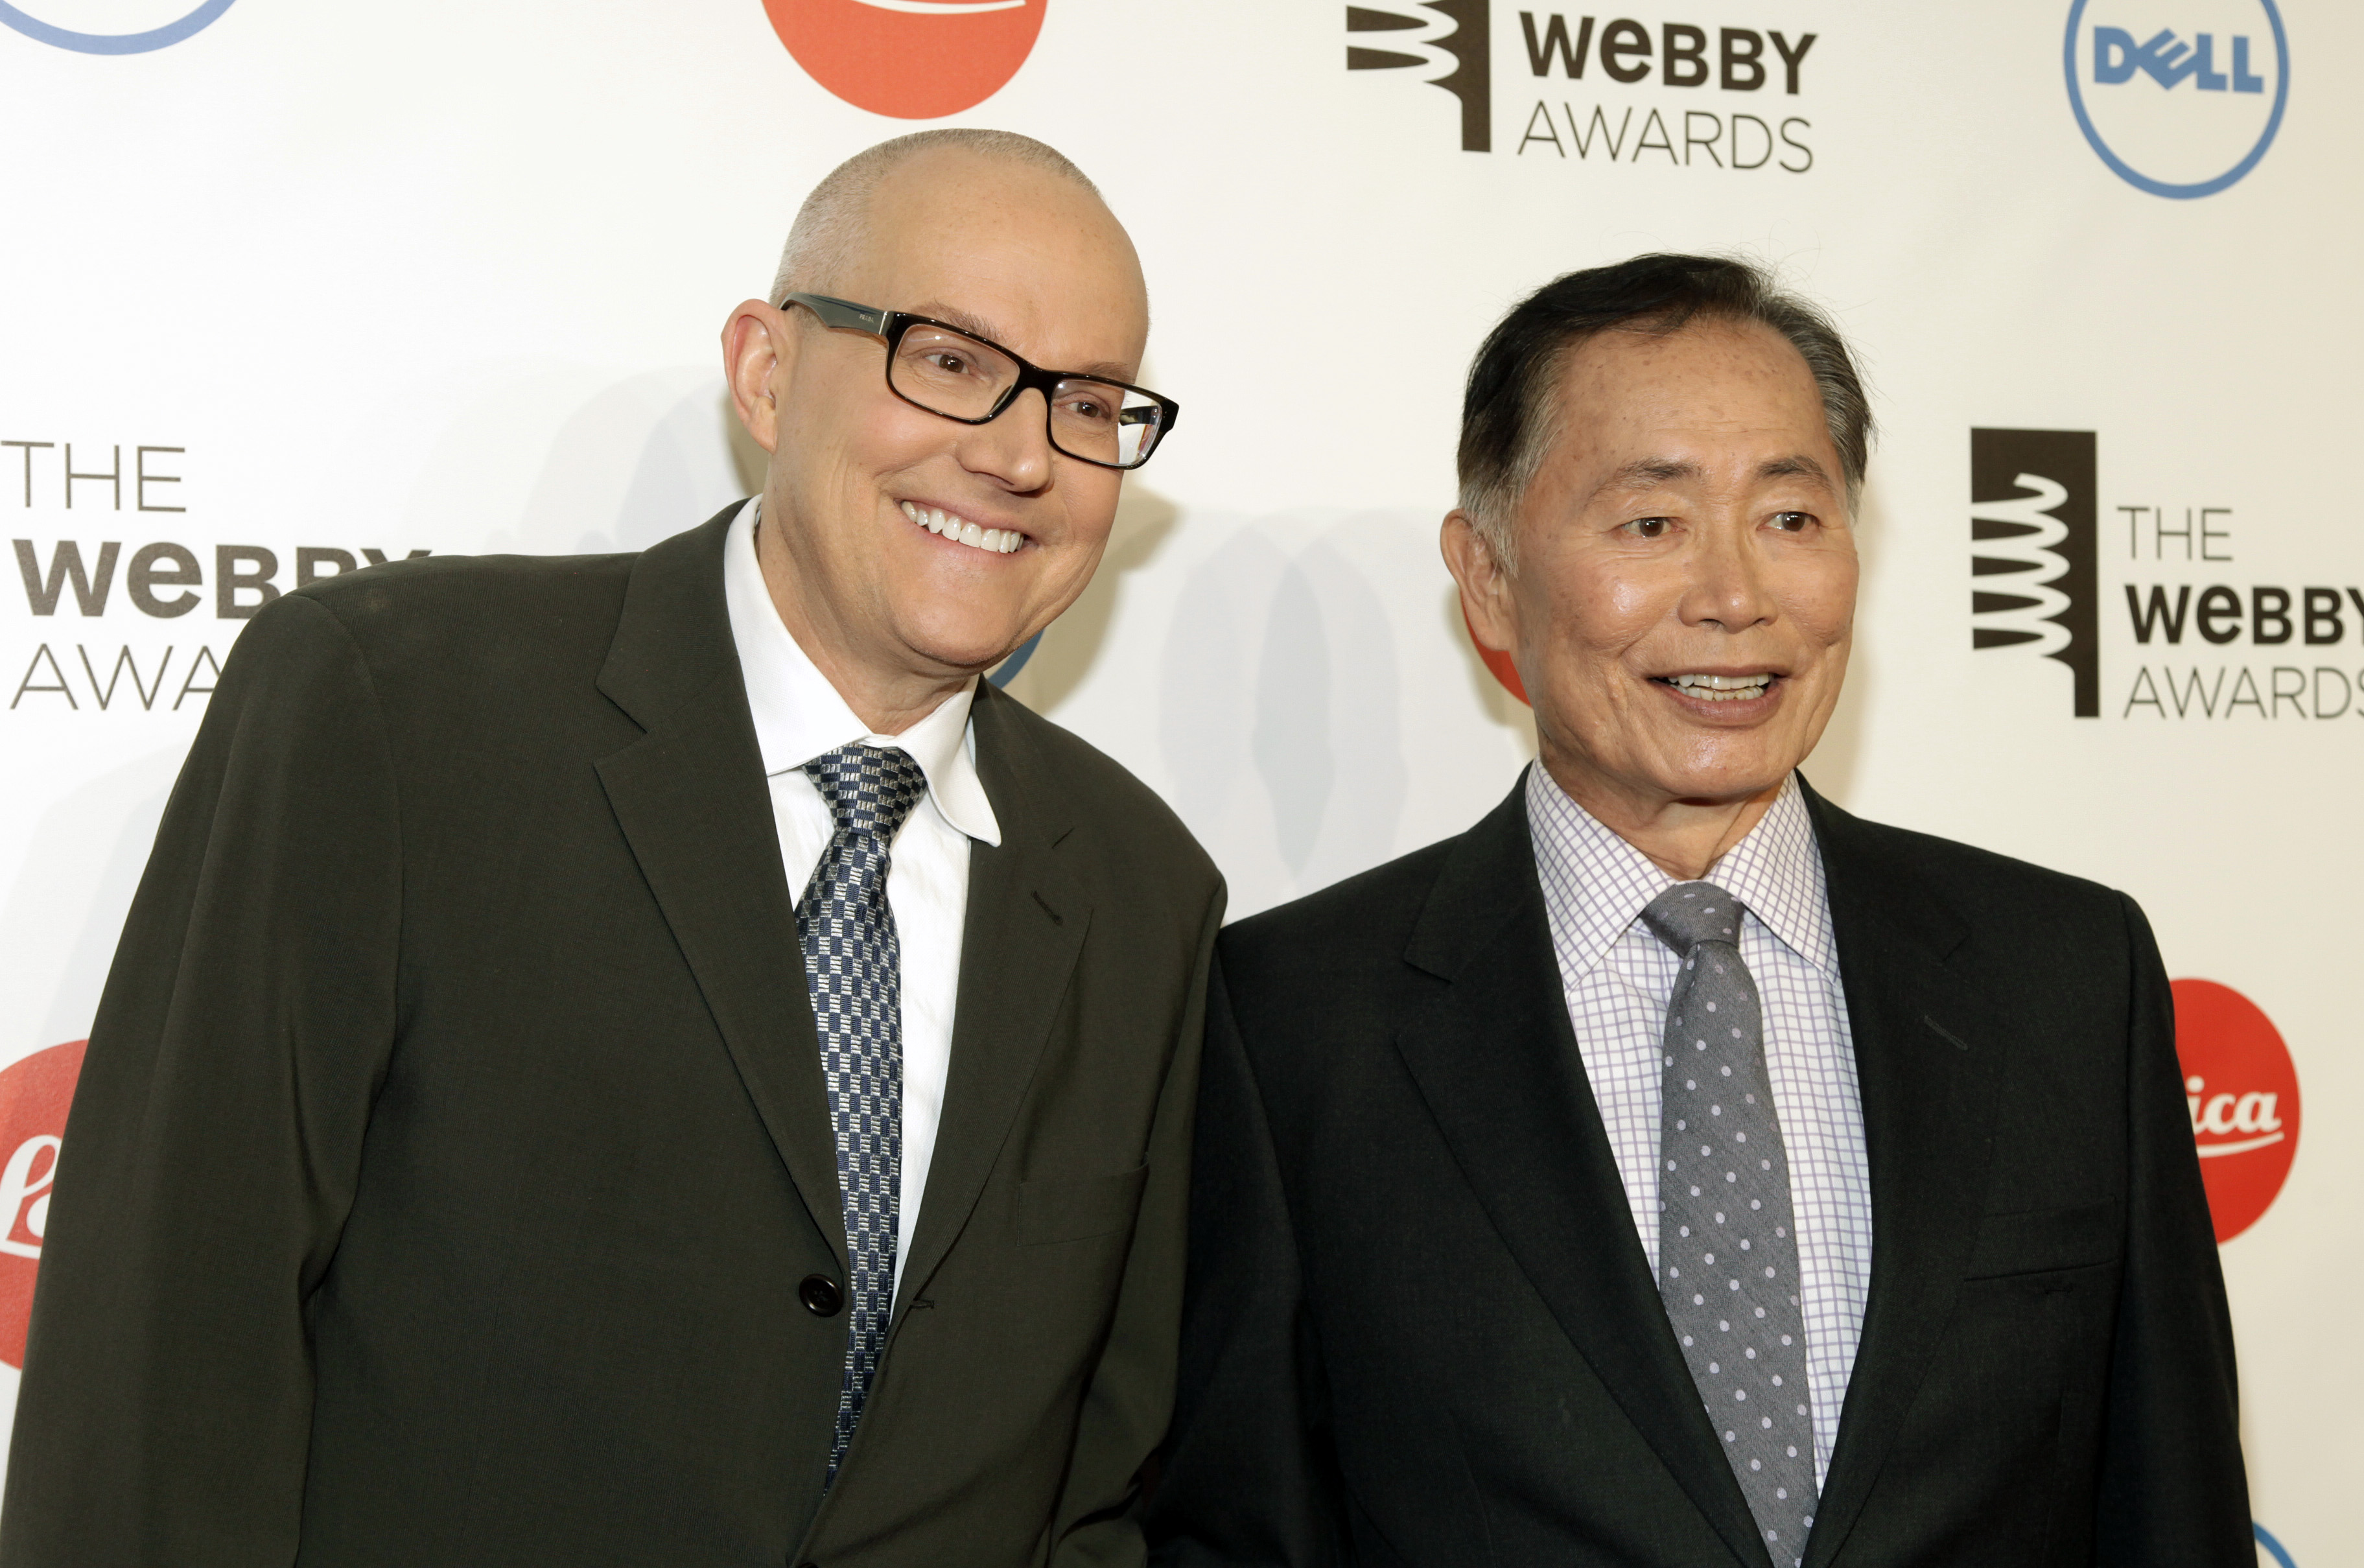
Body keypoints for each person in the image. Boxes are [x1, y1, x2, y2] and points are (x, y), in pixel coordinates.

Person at [2, 129, 1221, 1568]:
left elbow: (1097, 1486)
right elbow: (164, 1350)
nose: (1019, 456)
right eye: (948, 359)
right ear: (767, 371)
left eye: (1088, 404)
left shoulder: (1144, 890)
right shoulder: (394, 707)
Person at [1147, 254, 2250, 1567]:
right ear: (1488, 575)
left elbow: (2173, 1503)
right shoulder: (1289, 1023)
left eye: (1790, 516)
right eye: (1651, 523)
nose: (1736, 596)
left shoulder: (2067, 976)